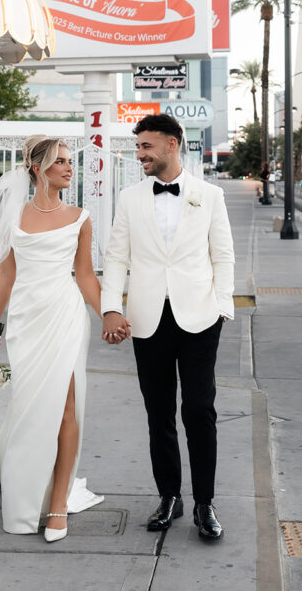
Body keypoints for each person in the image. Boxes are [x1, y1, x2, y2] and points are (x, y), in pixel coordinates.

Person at [0, 136, 113, 542]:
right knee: (30, 406)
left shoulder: (81, 217)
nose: (70, 168)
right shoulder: (16, 215)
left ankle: (58, 503)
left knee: (66, 407)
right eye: (61, 162)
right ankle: (25, 488)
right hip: (27, 321)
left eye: (70, 161)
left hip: (65, 315)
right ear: (38, 168)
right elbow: (7, 274)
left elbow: (85, 275)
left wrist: (110, 315)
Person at [101, 114, 235, 541]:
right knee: (158, 412)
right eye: (138, 146)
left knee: (199, 411)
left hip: (199, 317)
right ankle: (169, 496)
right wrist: (110, 308)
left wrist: (222, 308)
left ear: (172, 145)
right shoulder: (129, 198)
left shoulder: (209, 195)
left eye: (146, 147)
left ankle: (205, 503)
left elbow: (223, 255)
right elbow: (117, 257)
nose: (140, 154)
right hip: (147, 319)